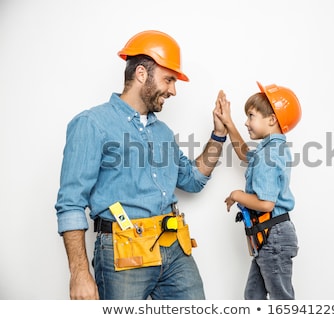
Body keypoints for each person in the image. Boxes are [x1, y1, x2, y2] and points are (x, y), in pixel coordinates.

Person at [55, 30, 228, 300]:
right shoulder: (92, 124)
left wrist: (218, 135)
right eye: (169, 79)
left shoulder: (163, 133)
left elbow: (193, 180)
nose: (173, 90)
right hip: (122, 251)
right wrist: (79, 274)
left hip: (174, 248)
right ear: (141, 74)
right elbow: (71, 203)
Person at [215, 81, 301, 300]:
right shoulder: (271, 149)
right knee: (253, 296)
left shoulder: (269, 155)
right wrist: (228, 122)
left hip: (274, 237)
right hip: (269, 236)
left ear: (271, 119)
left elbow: (266, 204)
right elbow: (245, 154)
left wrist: (236, 195)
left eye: (251, 116)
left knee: (282, 300)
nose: (246, 122)